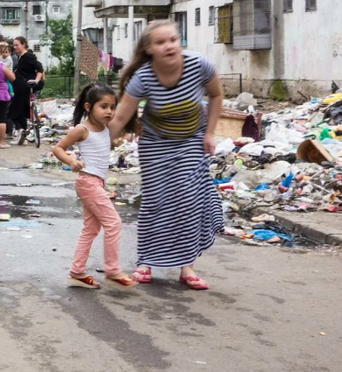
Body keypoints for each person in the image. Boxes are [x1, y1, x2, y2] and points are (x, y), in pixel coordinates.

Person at [108, 20, 224, 290]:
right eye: (161, 42)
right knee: (155, 200)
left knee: (187, 200)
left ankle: (187, 267)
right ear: (149, 49)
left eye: (173, 39)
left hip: (192, 140)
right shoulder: (143, 77)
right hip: (156, 143)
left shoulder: (199, 65)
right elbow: (121, 117)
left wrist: (210, 133)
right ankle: (145, 262)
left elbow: (216, 96)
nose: (169, 46)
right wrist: (94, 150)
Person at [53, 84, 137, 289]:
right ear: (89, 107)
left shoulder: (106, 128)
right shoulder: (82, 130)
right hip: (87, 182)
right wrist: (72, 162)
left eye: (112, 107)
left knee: (90, 230)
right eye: (104, 106)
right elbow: (58, 148)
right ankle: (112, 270)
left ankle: (77, 272)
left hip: (97, 182)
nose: (109, 111)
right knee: (114, 223)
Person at [9, 36, 45, 143]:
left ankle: (21, 130)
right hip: (21, 86)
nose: (15, 47)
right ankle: (22, 133)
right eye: (14, 45)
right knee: (22, 109)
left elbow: (39, 68)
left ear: (23, 44)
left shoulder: (28, 56)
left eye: (17, 45)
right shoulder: (20, 57)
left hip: (24, 86)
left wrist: (37, 80)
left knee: (13, 111)